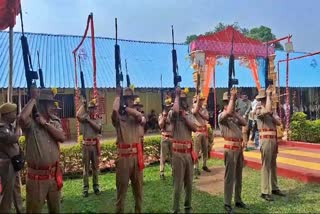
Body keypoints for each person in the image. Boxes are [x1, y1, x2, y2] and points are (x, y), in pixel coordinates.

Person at [19, 88, 65, 213]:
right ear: (41, 104)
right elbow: (21, 118)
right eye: (49, 103)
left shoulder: (54, 122)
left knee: (55, 210)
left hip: (54, 176)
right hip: (37, 178)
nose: (52, 106)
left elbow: (62, 137)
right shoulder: (31, 123)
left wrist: (45, 124)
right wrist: (33, 99)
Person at [112, 87, 145, 213]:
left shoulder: (137, 115)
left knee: (139, 192)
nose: (131, 101)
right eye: (127, 99)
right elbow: (114, 111)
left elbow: (141, 118)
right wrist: (117, 96)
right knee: (121, 193)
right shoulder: (119, 118)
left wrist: (126, 108)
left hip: (137, 158)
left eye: (131, 99)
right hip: (124, 159)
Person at [218, 89, 247, 214]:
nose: (232, 104)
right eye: (229, 101)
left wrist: (235, 114)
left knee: (239, 176)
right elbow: (228, 111)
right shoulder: (222, 116)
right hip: (230, 149)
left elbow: (244, 122)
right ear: (225, 103)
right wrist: (232, 99)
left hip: (238, 149)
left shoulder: (233, 115)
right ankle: (227, 203)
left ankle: (238, 199)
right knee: (229, 177)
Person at [169, 87, 198, 213]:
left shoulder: (188, 114)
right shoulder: (172, 113)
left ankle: (188, 206)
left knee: (189, 183)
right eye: (181, 99)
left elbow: (195, 128)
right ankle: (176, 209)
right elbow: (175, 112)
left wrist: (185, 117)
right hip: (177, 154)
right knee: (178, 184)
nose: (183, 101)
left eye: (183, 99)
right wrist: (176, 96)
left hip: (188, 154)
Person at [255, 87, 286, 201]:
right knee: (266, 165)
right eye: (267, 97)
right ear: (263, 98)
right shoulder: (258, 109)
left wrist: (272, 114)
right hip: (266, 139)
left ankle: (274, 187)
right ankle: (264, 190)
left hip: (273, 139)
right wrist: (268, 96)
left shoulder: (271, 110)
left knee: (273, 164)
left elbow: (278, 122)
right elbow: (266, 110)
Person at [0, 103, 23, 213]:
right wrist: (18, 125)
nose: (16, 115)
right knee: (7, 192)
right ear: (6, 114)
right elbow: (14, 138)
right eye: (14, 112)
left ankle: (20, 210)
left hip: (14, 162)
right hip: (6, 164)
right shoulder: (1, 128)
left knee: (17, 189)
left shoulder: (10, 127)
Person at [77, 99, 102, 197]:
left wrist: (89, 120)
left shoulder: (98, 119)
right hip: (86, 146)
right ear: (88, 109)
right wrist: (83, 105)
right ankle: (85, 188)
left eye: (93, 108)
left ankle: (96, 186)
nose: (92, 110)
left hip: (94, 146)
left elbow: (98, 128)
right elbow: (78, 116)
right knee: (86, 168)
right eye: (90, 108)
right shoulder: (84, 118)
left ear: (96, 109)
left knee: (95, 167)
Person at [192, 94, 210, 176]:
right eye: (200, 100)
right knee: (196, 150)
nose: (202, 101)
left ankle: (204, 165)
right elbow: (194, 112)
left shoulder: (204, 109)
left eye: (202, 100)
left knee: (205, 149)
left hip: (204, 130)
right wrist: (198, 108)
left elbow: (207, 118)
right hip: (197, 131)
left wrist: (200, 112)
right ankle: (195, 167)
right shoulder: (193, 109)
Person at [159, 97, 174, 179]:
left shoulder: (172, 116)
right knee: (163, 155)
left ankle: (173, 170)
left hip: (172, 137)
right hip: (165, 137)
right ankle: (161, 172)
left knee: (173, 155)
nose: (168, 108)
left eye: (169, 107)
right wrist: (164, 117)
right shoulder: (161, 115)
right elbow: (160, 125)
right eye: (167, 107)